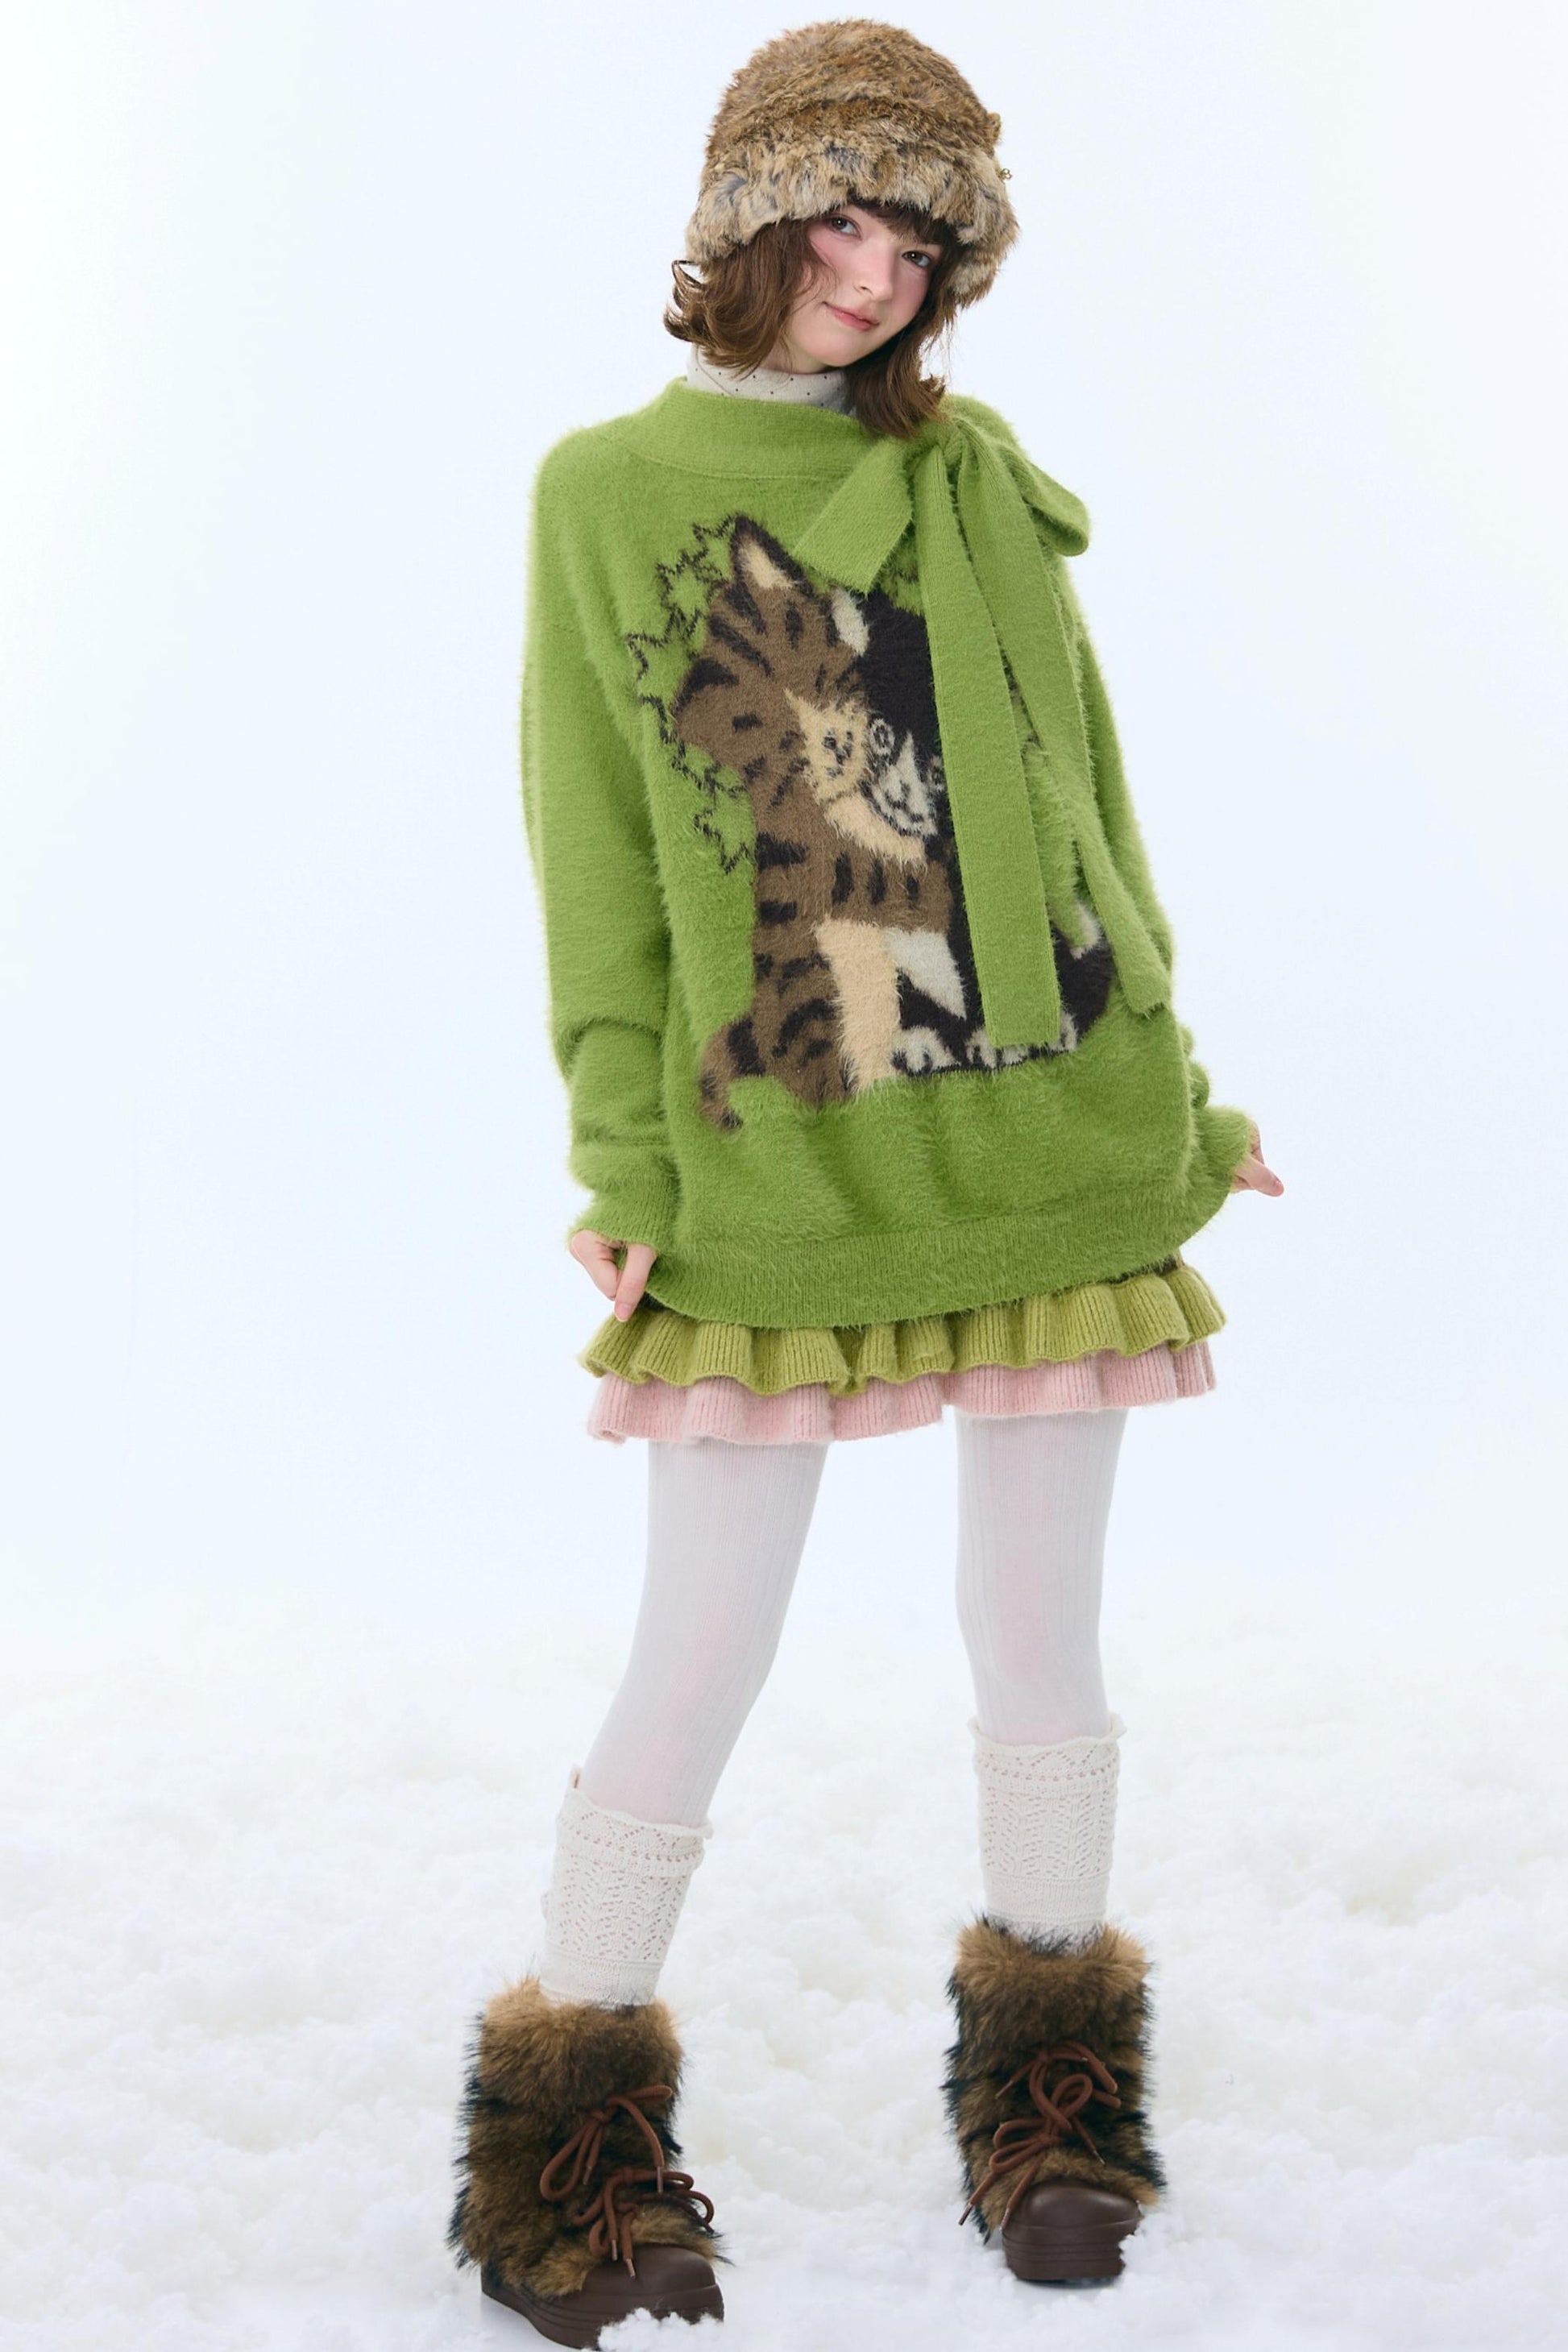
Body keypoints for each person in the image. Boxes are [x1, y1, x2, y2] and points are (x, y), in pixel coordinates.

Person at [448, 19, 1283, 2342]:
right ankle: (562, 2137)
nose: (874, 273)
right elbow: (595, 859)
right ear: (741, 222)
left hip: (1041, 1133)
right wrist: (618, 1143)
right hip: (781, 1147)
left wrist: (1183, 1106)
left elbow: (1084, 817)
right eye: (836, 217)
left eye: (918, 239)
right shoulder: (607, 491)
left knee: (1039, 1640)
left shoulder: (970, 476)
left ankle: (1053, 2098)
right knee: (698, 1650)